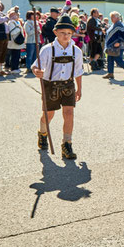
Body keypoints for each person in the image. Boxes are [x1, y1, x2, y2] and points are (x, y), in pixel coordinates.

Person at [32, 15, 84, 160]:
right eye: (62, 32)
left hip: (68, 85)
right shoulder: (47, 50)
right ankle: (43, 133)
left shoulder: (76, 51)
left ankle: (67, 144)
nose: (66, 36)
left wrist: (79, 89)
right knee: (49, 114)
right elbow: (36, 66)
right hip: (50, 85)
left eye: (68, 33)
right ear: (55, 33)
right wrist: (37, 72)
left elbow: (79, 72)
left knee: (69, 113)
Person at [103, 11, 124, 79]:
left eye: (113, 17)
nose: (111, 18)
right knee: (109, 58)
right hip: (111, 46)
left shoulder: (119, 24)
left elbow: (122, 34)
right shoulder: (114, 25)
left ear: (117, 17)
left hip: (118, 45)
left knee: (118, 59)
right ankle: (110, 73)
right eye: (111, 17)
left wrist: (118, 42)